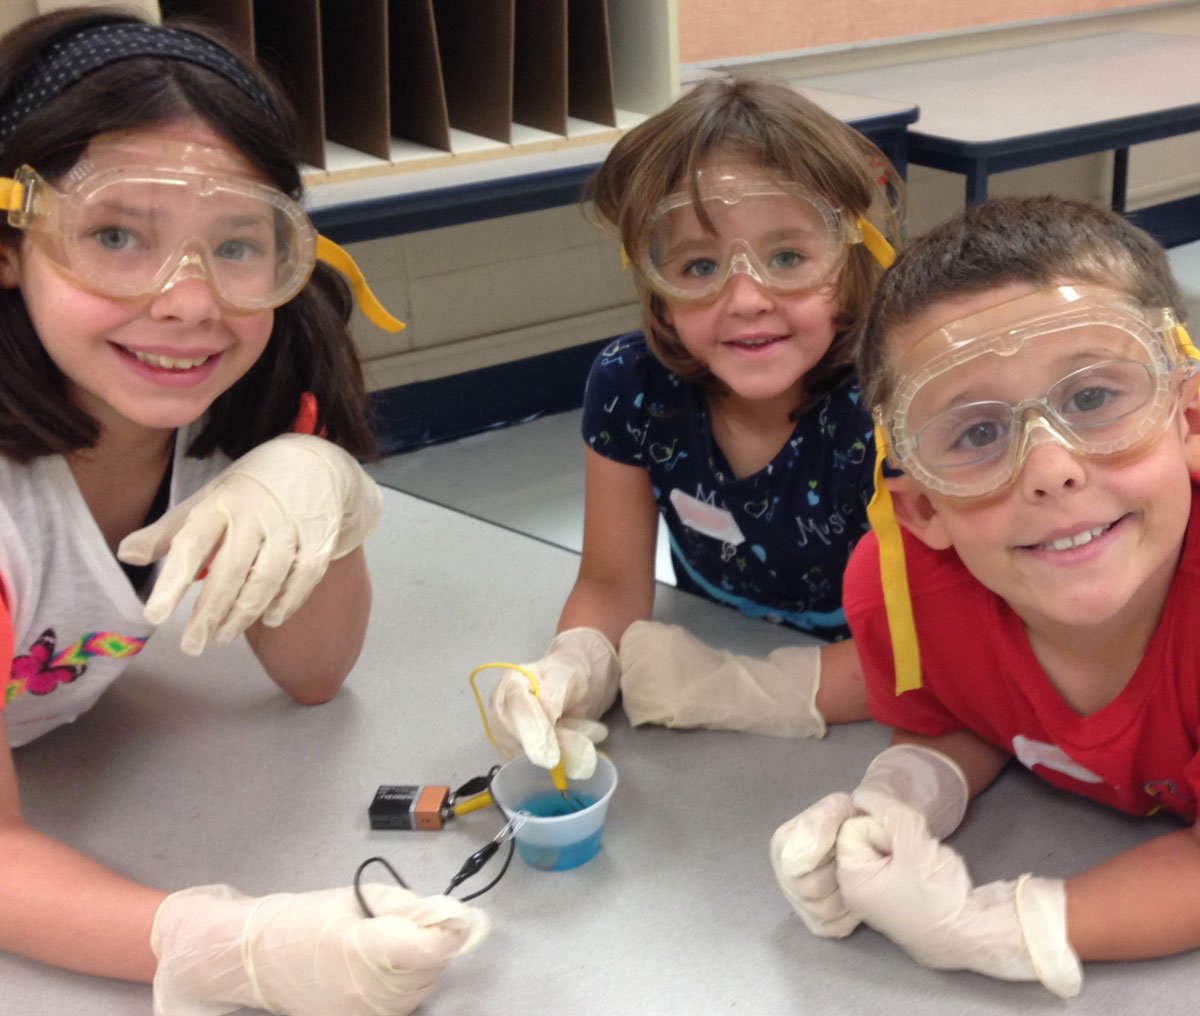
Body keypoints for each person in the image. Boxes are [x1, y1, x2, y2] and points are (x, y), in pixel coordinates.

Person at [0, 8, 486, 1015]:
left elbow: (314, 671)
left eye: (236, 243)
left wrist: (322, 483)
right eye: (116, 235)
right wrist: (231, 945)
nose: (190, 301)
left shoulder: (235, 410)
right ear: (11, 241)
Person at [769, 195, 1200, 998]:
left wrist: (1002, 926)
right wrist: (898, 804)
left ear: (1190, 418)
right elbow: (964, 714)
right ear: (922, 509)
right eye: (976, 433)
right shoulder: (902, 594)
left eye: (1094, 398)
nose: (1051, 470)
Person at [482, 77, 903, 781]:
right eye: (700, 266)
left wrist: (737, 690)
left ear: (849, 253)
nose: (746, 298)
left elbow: (922, 654)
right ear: (657, 283)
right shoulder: (632, 387)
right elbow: (611, 585)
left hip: (860, 723)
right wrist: (574, 667)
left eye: (788, 257)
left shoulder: (892, 408)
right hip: (709, 695)